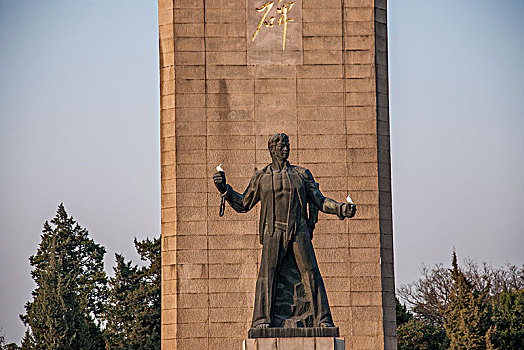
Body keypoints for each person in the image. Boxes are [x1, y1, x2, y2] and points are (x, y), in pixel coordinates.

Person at [213, 133, 357, 329]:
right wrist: (224, 189)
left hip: (298, 230)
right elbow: (244, 203)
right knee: (266, 275)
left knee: (311, 272)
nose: (286, 149)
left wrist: (341, 208)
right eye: (282, 146)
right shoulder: (261, 177)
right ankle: (261, 320)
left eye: (287, 145)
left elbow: (319, 200)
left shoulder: (301, 174)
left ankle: (323, 320)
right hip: (273, 230)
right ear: (272, 150)